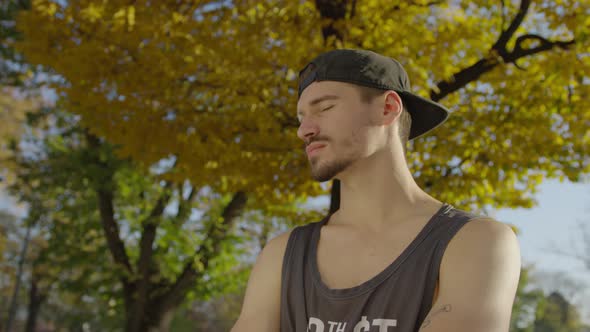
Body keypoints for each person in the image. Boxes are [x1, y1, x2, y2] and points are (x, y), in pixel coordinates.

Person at [231, 49, 521, 332]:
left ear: (388, 108)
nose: (304, 130)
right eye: (300, 118)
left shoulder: (475, 242)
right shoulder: (283, 254)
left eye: (325, 108)